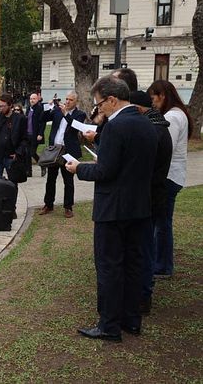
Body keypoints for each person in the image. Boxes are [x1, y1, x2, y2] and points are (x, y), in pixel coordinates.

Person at [66, 75, 157, 342]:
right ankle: (131, 320)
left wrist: (78, 168)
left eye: (99, 104)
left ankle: (109, 325)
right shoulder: (146, 123)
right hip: (139, 206)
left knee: (109, 266)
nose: (99, 110)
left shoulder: (117, 126)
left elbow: (106, 171)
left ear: (112, 99)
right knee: (132, 265)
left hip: (113, 208)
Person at [129, 90, 172, 315]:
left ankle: (143, 296)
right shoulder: (158, 126)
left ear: (138, 109)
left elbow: (143, 166)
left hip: (149, 197)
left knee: (143, 248)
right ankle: (142, 294)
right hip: (152, 194)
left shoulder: (153, 131)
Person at [147, 80, 192, 279]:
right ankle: (161, 263)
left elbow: (165, 146)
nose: (152, 102)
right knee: (162, 221)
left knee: (162, 222)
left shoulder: (172, 116)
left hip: (168, 176)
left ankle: (162, 265)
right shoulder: (177, 113)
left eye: (153, 98)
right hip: (173, 174)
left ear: (162, 95)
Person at [37, 91, 87, 219]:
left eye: (70, 100)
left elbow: (76, 127)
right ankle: (48, 204)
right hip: (55, 150)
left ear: (76, 102)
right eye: (66, 99)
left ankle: (68, 207)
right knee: (51, 179)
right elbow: (42, 118)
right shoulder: (58, 111)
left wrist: (66, 114)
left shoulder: (80, 114)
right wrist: (49, 107)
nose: (67, 102)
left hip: (68, 151)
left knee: (68, 180)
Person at [0, 93, 29, 181]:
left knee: (13, 183)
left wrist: (18, 152)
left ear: (10, 105)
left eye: (3, 106)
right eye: (0, 106)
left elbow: (24, 138)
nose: (1, 108)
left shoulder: (20, 119)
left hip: (11, 156)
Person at [26, 93, 46, 177]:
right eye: (31, 99)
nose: (32, 100)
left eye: (34, 99)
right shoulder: (28, 108)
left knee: (32, 152)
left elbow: (42, 122)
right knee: (27, 153)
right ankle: (28, 172)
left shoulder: (39, 108)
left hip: (35, 134)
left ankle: (42, 165)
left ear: (37, 99)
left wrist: (40, 133)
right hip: (27, 134)